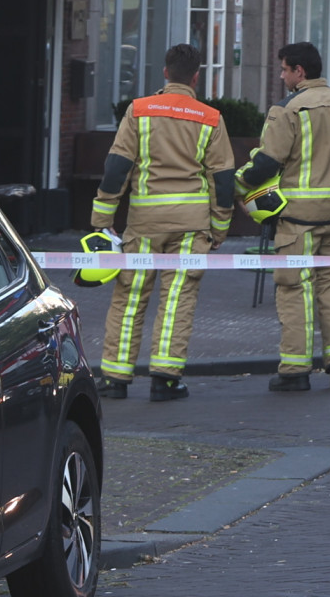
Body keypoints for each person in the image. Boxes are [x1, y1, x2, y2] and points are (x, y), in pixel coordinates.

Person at [93, 43, 236, 402]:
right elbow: (222, 180)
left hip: (144, 222)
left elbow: (117, 167)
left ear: (165, 72)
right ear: (196, 77)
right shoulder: (210, 118)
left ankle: (115, 378)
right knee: (178, 298)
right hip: (191, 224)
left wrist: (103, 217)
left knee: (130, 296)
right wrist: (220, 227)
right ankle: (165, 379)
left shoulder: (139, 111)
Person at [237, 42, 330, 391]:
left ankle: (295, 372)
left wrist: (237, 182)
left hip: (297, 222)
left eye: (285, 69)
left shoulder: (287, 109)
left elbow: (266, 164)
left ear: (300, 71)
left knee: (294, 292)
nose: (283, 76)